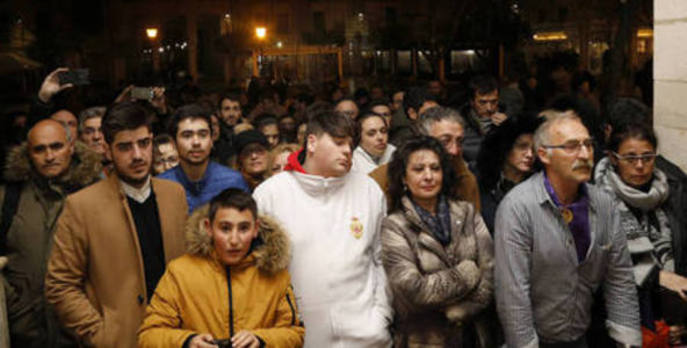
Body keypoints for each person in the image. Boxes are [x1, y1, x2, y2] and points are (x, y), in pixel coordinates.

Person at [45, 102, 189, 347]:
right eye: (125, 147)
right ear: (107, 149)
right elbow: (60, 285)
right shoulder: (82, 206)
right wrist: (101, 334)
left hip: (174, 336)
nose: (137, 155)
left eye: (143, 143)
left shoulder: (174, 195)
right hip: (120, 339)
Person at [494, 112, 641, 347]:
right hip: (532, 339)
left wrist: (629, 341)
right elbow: (512, 295)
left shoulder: (604, 204)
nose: (584, 155)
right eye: (571, 147)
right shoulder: (517, 208)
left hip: (580, 337)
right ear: (543, 154)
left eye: (588, 145)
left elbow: (620, 279)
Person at [253, 110, 392, 348]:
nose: (348, 151)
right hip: (300, 337)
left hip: (367, 336)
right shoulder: (271, 194)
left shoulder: (368, 190)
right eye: (338, 143)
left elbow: (382, 259)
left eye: (350, 144)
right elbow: (256, 272)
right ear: (312, 142)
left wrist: (380, 317)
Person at [138, 189, 305, 348]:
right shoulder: (180, 273)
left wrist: (261, 340)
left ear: (256, 229)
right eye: (225, 228)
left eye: (243, 228)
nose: (234, 240)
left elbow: (295, 334)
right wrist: (187, 341)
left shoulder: (275, 275)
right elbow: (149, 335)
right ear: (209, 228)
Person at [381, 136, 495, 347]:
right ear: (404, 178)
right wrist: (467, 273)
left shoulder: (467, 212)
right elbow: (414, 290)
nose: (428, 176)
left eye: (435, 168)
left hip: (474, 336)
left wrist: (462, 310)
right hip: (423, 339)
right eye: (418, 169)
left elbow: (490, 270)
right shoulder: (394, 226)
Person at [1, 119, 101, 347]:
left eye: (56, 147)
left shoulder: (96, 193)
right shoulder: (9, 199)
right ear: (28, 154)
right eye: (40, 149)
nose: (49, 156)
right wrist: (14, 308)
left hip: (82, 333)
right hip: (25, 332)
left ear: (71, 147)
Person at [595, 122, 687, 344]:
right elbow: (599, 268)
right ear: (614, 158)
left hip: (671, 321)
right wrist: (656, 276)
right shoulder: (597, 199)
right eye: (630, 158)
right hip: (618, 323)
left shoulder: (672, 193)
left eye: (647, 157)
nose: (640, 166)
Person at [370, 106, 481, 212]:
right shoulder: (382, 180)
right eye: (445, 141)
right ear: (421, 139)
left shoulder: (464, 179)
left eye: (459, 142)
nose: (454, 150)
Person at [158, 104, 248, 212]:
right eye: (187, 135)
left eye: (203, 135)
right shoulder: (161, 186)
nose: (196, 142)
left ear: (211, 140)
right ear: (174, 143)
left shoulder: (233, 181)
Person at [475, 117, 541, 232]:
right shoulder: (481, 181)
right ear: (505, 147)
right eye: (522, 146)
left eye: (534, 148)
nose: (530, 154)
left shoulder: (540, 184)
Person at [460, 75, 508, 166]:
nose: (489, 108)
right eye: (482, 102)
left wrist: (508, 129)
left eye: (494, 102)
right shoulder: (460, 123)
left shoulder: (507, 120)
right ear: (472, 102)